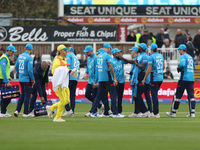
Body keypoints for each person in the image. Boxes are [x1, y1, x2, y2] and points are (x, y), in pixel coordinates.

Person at [90, 43, 124, 118]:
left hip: (101, 78)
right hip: (107, 77)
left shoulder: (98, 56)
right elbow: (110, 66)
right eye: (109, 48)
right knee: (113, 94)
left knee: (98, 96)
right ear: (108, 48)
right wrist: (114, 77)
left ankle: (93, 112)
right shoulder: (107, 56)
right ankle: (115, 113)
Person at [120, 43, 149, 117]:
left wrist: (136, 64)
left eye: (139, 47)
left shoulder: (145, 56)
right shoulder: (139, 56)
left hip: (141, 76)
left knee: (138, 95)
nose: (138, 47)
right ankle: (137, 112)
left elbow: (143, 67)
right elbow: (132, 62)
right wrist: (122, 58)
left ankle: (145, 111)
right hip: (137, 76)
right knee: (136, 94)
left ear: (141, 48)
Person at [166, 44, 196, 118]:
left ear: (182, 50)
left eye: (179, 50)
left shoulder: (183, 56)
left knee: (177, 96)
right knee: (191, 96)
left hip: (184, 78)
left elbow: (182, 64)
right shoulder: (190, 57)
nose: (179, 51)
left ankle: (173, 112)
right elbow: (194, 66)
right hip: (191, 78)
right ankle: (192, 113)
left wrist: (179, 68)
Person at [46, 44, 71, 122]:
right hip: (59, 84)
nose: (66, 51)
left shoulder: (65, 59)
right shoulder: (57, 60)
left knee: (67, 100)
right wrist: (65, 70)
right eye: (64, 50)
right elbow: (54, 72)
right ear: (60, 51)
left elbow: (64, 71)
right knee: (64, 100)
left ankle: (52, 108)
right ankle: (57, 117)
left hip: (65, 83)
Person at [142, 43, 165, 118]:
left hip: (154, 77)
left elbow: (149, 69)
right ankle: (154, 112)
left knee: (154, 95)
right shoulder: (161, 56)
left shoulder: (151, 57)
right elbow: (163, 67)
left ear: (151, 49)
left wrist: (144, 78)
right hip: (160, 77)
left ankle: (156, 113)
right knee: (154, 94)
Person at [14, 44, 35, 117]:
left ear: (25, 48)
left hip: (21, 78)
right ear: (31, 50)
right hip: (27, 79)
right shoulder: (29, 57)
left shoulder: (20, 56)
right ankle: (25, 113)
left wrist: (21, 74)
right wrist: (32, 79)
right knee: (27, 96)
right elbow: (30, 70)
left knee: (22, 95)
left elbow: (16, 67)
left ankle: (17, 110)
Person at [83, 46, 104, 117]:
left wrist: (96, 81)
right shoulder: (89, 58)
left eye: (87, 52)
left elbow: (98, 71)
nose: (86, 53)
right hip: (90, 81)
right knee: (87, 94)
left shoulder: (96, 58)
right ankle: (99, 106)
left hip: (95, 81)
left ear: (91, 51)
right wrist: (86, 73)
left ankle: (93, 111)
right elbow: (88, 68)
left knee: (95, 97)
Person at [0, 45, 17, 117]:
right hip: (2, 80)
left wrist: (8, 77)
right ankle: (3, 112)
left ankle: (4, 111)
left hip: (3, 79)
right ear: (9, 51)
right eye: (12, 52)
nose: (13, 53)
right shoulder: (4, 58)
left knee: (7, 96)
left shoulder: (6, 58)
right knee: (7, 96)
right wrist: (6, 81)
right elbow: (3, 70)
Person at [62, 47, 80, 117]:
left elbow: (68, 64)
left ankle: (68, 110)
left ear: (69, 51)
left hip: (70, 76)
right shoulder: (76, 57)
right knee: (72, 95)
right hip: (76, 77)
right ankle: (72, 111)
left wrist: (67, 71)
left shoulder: (69, 55)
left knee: (64, 93)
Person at [111, 48, 127, 115]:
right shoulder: (111, 61)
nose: (119, 54)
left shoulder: (121, 60)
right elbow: (110, 71)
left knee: (120, 97)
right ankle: (113, 111)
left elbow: (127, 62)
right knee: (114, 97)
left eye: (120, 52)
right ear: (114, 54)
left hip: (122, 81)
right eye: (118, 52)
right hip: (115, 81)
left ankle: (119, 111)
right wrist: (113, 79)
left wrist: (122, 57)